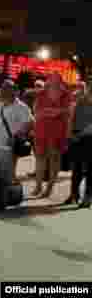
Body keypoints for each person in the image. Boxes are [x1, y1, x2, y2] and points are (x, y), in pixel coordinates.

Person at [0, 80, 32, 211]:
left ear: (13, 91)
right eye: (3, 89)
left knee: (4, 175)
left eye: (7, 89)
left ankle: (0, 201)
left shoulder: (21, 107)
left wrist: (17, 135)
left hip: (8, 147)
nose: (3, 91)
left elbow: (30, 122)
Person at [32, 73, 73, 199]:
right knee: (40, 158)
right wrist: (55, 112)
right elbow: (36, 111)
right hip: (42, 129)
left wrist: (51, 112)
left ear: (60, 82)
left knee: (54, 159)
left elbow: (68, 112)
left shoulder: (66, 95)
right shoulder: (41, 94)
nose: (54, 82)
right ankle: (38, 185)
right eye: (52, 79)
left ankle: (49, 187)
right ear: (48, 81)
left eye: (57, 80)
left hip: (58, 131)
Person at [66, 80, 92, 208]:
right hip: (77, 138)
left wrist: (79, 134)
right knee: (76, 168)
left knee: (89, 169)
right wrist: (70, 135)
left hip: (89, 138)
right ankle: (74, 194)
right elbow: (71, 118)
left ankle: (87, 197)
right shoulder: (79, 102)